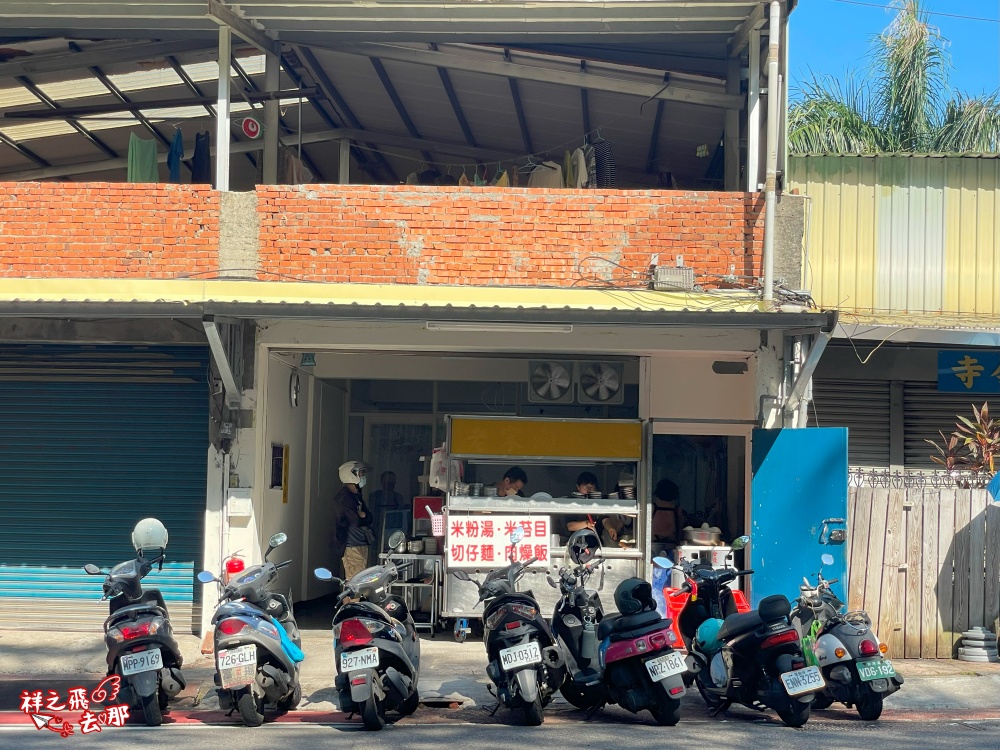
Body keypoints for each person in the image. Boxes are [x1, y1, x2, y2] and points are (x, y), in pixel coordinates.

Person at [333, 460, 375, 583]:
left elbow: (369, 517)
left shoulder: (356, 495)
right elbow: (356, 520)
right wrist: (362, 516)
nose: (363, 477)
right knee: (356, 581)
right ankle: (352, 602)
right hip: (352, 545)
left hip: (361, 543)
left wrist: (364, 515)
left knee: (356, 580)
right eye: (360, 474)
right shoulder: (343, 498)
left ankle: (350, 602)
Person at [560, 471, 600, 542]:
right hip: (577, 541)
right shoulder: (572, 503)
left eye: (591, 487)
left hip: (597, 540)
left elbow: (605, 519)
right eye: (585, 486)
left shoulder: (599, 502)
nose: (588, 490)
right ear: (578, 487)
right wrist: (586, 523)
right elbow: (570, 526)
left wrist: (611, 528)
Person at [650, 479, 685, 552]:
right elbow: (681, 530)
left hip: (652, 546)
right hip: (672, 547)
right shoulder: (678, 511)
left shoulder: (651, 508)